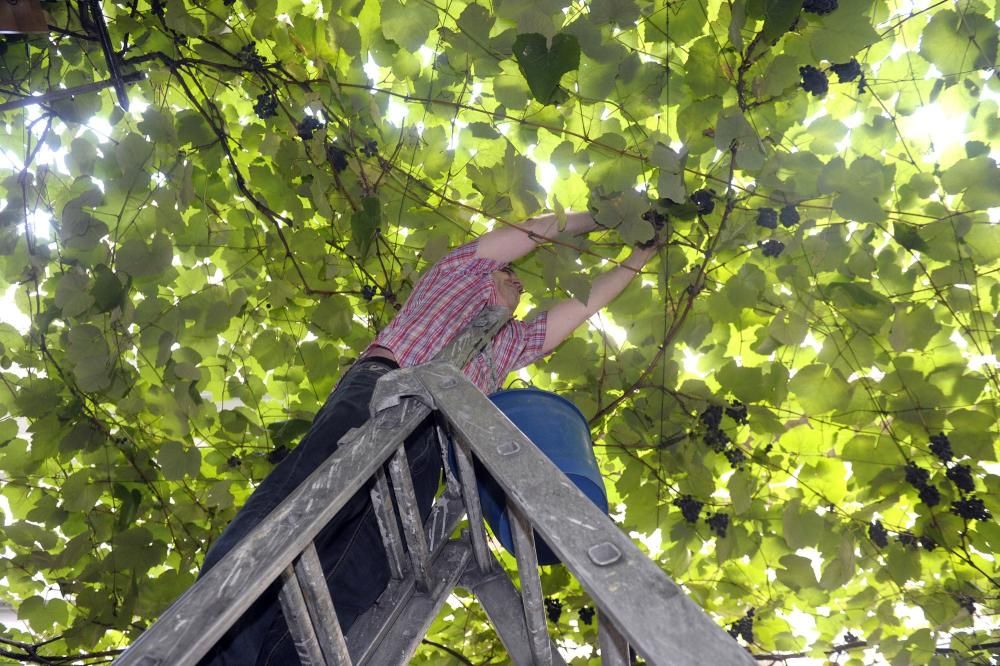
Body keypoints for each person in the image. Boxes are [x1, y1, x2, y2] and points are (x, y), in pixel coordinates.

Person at [198, 210, 662, 665]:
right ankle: (211, 646)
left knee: (360, 571)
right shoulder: (457, 272)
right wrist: (612, 214)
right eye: (514, 273)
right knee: (299, 504)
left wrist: (639, 255)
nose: (521, 282)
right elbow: (537, 228)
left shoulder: (509, 344)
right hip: (383, 389)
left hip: (430, 444)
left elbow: (583, 306)